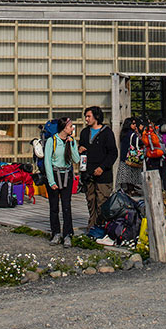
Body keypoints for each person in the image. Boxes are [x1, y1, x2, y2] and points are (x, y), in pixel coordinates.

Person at [78, 105, 118, 230]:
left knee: (102, 201)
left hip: (103, 175)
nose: (86, 119)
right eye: (86, 116)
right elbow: (81, 148)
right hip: (88, 173)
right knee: (91, 201)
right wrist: (79, 149)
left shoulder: (107, 133)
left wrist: (103, 167)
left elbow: (113, 153)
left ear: (96, 117)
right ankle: (92, 225)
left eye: (89, 116)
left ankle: (103, 227)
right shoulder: (84, 132)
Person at [44, 117, 81, 245]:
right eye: (71, 126)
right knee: (54, 206)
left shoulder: (71, 141)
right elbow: (47, 162)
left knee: (66, 206)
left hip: (67, 175)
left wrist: (72, 144)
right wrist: (51, 181)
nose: (73, 129)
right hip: (54, 174)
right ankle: (56, 233)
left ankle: (67, 234)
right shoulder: (51, 141)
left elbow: (76, 160)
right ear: (64, 127)